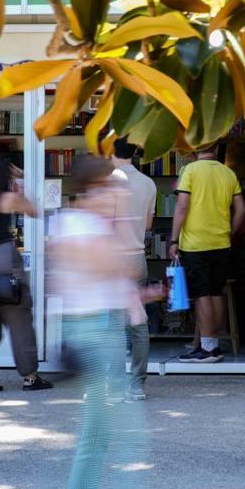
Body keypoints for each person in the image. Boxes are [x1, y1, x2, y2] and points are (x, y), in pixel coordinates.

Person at [52, 156, 157, 489]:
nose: (118, 194)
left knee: (103, 431)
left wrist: (136, 296)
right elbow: (116, 266)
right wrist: (118, 227)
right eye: (112, 188)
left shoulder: (69, 223)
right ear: (94, 190)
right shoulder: (84, 227)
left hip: (98, 327)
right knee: (97, 434)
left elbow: (103, 278)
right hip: (96, 334)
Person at [0, 156, 50, 394]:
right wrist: (23, 177)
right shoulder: (11, 198)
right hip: (7, 257)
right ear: (7, 174)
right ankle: (30, 377)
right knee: (20, 321)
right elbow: (35, 210)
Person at [170, 143, 245, 363]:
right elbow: (241, 207)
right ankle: (214, 345)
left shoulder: (190, 171)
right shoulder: (227, 172)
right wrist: (230, 231)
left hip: (195, 243)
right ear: (217, 149)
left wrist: (174, 239)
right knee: (216, 292)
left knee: (202, 294)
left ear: (195, 148)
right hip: (221, 242)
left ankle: (208, 348)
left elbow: (182, 206)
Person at [111, 138, 159, 400]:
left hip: (114, 260)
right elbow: (149, 224)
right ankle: (137, 383)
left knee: (114, 325)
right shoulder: (148, 183)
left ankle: (116, 383)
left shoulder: (110, 182)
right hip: (137, 257)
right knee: (138, 324)